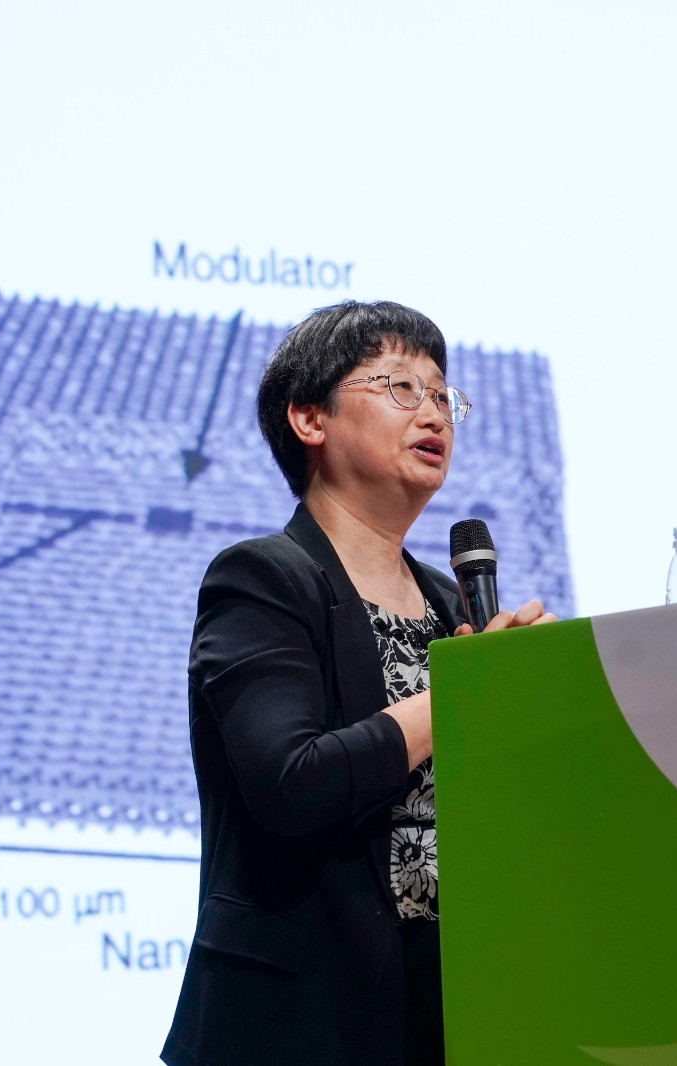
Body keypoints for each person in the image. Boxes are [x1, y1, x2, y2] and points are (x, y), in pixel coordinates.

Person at [161, 300, 555, 1065]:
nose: (432, 413)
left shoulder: (450, 604)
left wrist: (538, 698)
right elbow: (292, 782)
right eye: (400, 387)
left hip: (452, 1008)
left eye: (442, 395)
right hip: (300, 1023)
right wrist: (467, 695)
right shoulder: (264, 580)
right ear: (309, 418)